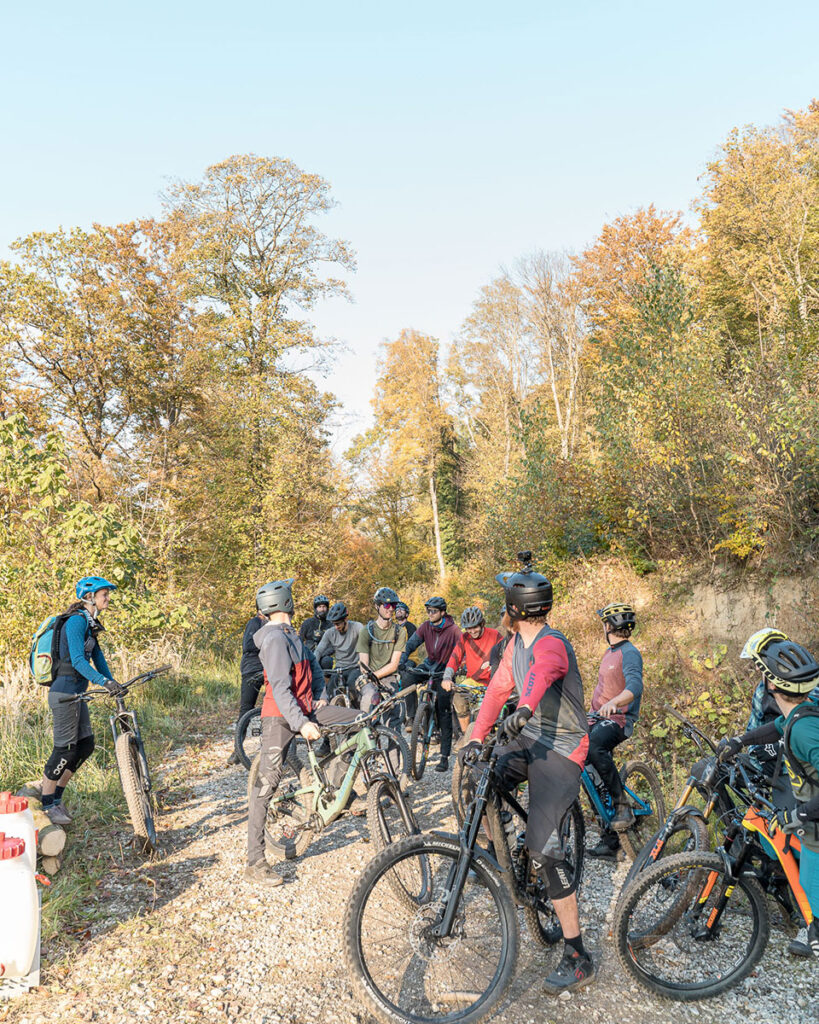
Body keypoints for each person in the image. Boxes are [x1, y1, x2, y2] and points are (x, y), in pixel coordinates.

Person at [459, 554, 594, 993]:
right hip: (528, 736)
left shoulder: (551, 644)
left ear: (514, 609)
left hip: (561, 749)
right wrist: (476, 738)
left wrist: (527, 708)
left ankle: (577, 954)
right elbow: (499, 689)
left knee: (545, 850)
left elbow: (539, 676)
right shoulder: (514, 645)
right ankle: (498, 849)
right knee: (480, 777)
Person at [246, 579, 357, 884]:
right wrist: (302, 723)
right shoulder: (273, 639)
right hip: (281, 717)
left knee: (360, 720)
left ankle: (341, 790)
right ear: (285, 602)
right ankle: (254, 862)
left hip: (306, 708)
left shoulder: (291, 634)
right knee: (266, 785)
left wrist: (320, 693)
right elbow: (281, 689)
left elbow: (315, 667)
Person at [719, 629, 819, 958]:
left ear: (773, 684)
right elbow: (773, 728)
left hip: (813, 819)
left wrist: (802, 814)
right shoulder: (798, 715)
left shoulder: (802, 730)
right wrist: (741, 741)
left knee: (810, 881)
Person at [41, 577, 123, 825]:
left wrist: (113, 683)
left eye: (108, 594)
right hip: (64, 693)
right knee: (64, 749)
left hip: (78, 693)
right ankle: (47, 805)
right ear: (89, 597)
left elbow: (99, 659)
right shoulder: (76, 621)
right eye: (104, 594)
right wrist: (102, 682)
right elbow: (78, 660)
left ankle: (57, 797)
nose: (108, 598)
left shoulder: (90, 624)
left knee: (85, 745)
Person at [586, 603, 644, 859]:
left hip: (619, 720)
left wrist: (614, 703)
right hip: (596, 718)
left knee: (593, 745)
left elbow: (635, 687)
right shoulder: (609, 653)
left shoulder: (629, 653)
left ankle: (622, 804)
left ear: (609, 625)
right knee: (585, 770)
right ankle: (610, 841)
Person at [400, 597, 462, 772]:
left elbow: (462, 649)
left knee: (443, 710)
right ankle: (412, 717)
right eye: (428, 611)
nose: (430, 614)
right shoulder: (426, 626)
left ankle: (444, 757)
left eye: (433, 611)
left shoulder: (453, 630)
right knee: (407, 678)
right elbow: (412, 643)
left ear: (442, 612)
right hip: (429, 665)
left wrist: (459, 667)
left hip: (445, 671)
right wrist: (403, 658)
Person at [442, 606, 502, 736]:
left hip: (494, 682)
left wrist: (496, 663)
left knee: (492, 715)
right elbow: (454, 658)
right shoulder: (464, 638)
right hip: (473, 681)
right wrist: (447, 678)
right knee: (458, 698)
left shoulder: (495, 635)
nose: (472, 631)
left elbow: (507, 654)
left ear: (482, 624)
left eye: (475, 627)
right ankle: (466, 736)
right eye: (469, 628)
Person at [356, 587, 407, 726]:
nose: (390, 609)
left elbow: (394, 664)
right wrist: (371, 678)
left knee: (394, 714)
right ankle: (365, 741)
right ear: (377, 606)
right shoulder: (366, 631)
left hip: (389, 676)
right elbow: (363, 664)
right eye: (386, 605)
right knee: (368, 702)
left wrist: (377, 677)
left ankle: (395, 747)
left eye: (394, 605)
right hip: (369, 676)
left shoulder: (399, 632)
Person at [227, 597, 269, 765]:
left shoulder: (272, 623)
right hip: (251, 669)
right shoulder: (254, 622)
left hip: (269, 668)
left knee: (274, 706)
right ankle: (237, 751)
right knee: (246, 710)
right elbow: (248, 645)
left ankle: (274, 748)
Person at [314, 602, 363, 698]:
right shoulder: (330, 633)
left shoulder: (357, 627)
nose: (336, 627)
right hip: (339, 668)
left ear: (345, 619)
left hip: (354, 667)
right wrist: (312, 664)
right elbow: (319, 651)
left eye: (338, 623)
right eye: (334, 624)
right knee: (330, 691)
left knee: (353, 686)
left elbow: (366, 643)